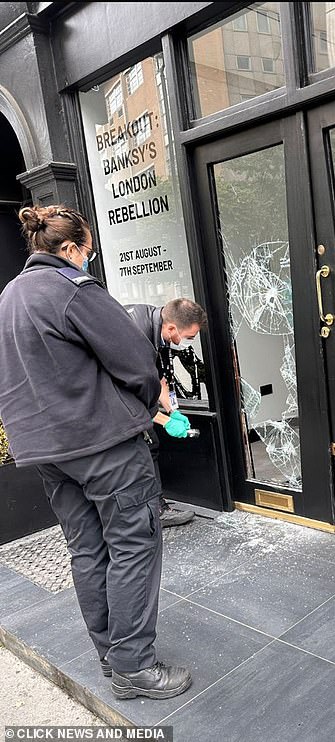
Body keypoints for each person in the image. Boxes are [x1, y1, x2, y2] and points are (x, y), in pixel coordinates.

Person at [0, 204, 192, 700]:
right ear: (68, 249)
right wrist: (155, 408)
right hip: (101, 444)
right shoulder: (72, 290)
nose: (88, 260)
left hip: (46, 451)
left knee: (87, 548)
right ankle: (134, 666)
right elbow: (136, 362)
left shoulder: (9, 297)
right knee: (133, 543)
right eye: (87, 251)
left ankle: (111, 657)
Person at [125, 299, 208, 527]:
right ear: (172, 328)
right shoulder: (137, 336)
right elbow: (127, 394)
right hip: (103, 400)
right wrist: (165, 421)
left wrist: (174, 411)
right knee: (143, 447)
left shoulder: (159, 327)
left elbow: (160, 379)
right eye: (188, 338)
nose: (187, 343)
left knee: (150, 445)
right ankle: (152, 513)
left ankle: (153, 509)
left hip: (130, 395)